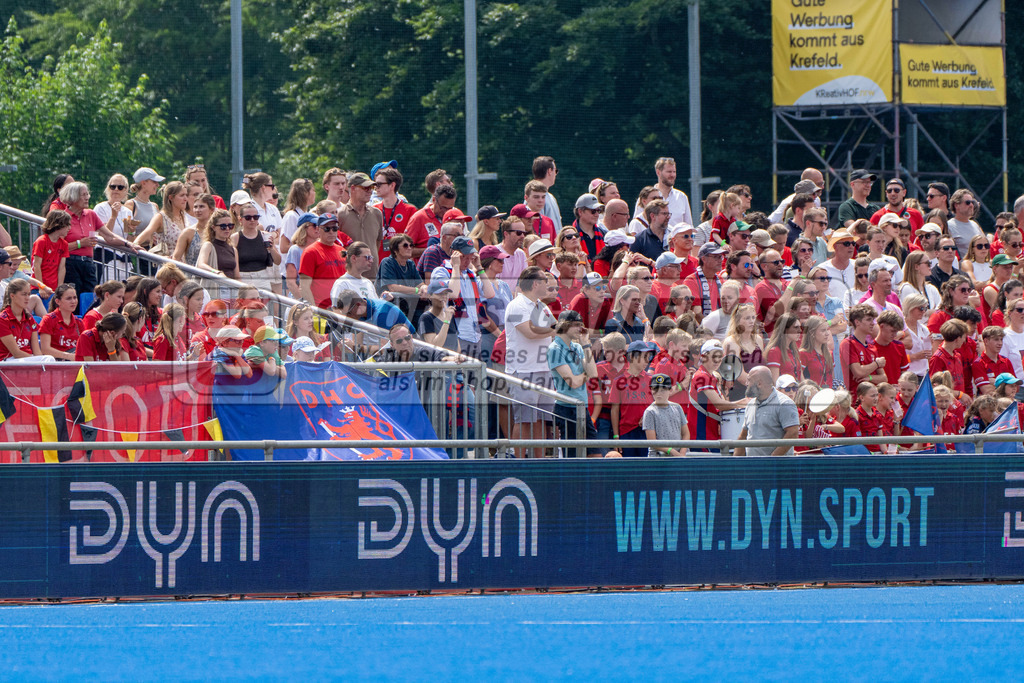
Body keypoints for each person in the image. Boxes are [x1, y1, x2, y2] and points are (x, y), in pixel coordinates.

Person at [504, 267, 558, 458]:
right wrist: (555, 331)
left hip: (543, 369)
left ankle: (539, 464)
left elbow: (554, 327)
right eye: (545, 281)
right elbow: (529, 332)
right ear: (535, 284)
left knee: (542, 421)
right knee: (524, 420)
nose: (548, 284)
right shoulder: (516, 305)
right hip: (523, 370)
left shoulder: (541, 306)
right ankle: (519, 464)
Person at [547, 310, 600, 455]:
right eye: (576, 325)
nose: (580, 329)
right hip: (567, 408)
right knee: (572, 457)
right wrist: (586, 374)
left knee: (594, 454)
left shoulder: (577, 347)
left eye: (581, 325)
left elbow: (593, 373)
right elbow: (573, 382)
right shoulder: (555, 349)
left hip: (581, 407)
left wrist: (586, 345)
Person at [733, 366, 800, 456]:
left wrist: (771, 461)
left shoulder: (784, 403)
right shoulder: (751, 404)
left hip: (777, 468)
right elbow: (743, 436)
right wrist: (735, 463)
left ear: (759, 384)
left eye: (749, 380)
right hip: (755, 467)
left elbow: (793, 433)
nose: (746, 383)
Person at [609, 340, 657, 458]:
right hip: (626, 432)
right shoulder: (618, 381)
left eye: (649, 356)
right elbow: (614, 409)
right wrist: (616, 437)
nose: (647, 360)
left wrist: (647, 416)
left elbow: (658, 403)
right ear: (632, 357)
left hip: (648, 431)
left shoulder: (652, 379)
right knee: (629, 469)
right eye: (644, 356)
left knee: (647, 468)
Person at [299, 213, 347, 308]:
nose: (331, 232)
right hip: (322, 310)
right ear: (318, 229)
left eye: (334, 228)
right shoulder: (311, 252)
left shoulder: (342, 251)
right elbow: (304, 286)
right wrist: (314, 311)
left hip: (341, 309)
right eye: (326, 229)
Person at [840, 304, 886, 394]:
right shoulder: (848, 343)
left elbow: (884, 378)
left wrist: (869, 378)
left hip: (872, 400)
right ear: (857, 322)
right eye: (869, 320)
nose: (873, 323)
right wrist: (876, 364)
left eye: (873, 320)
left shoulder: (872, 347)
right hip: (855, 400)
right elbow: (858, 372)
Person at [405, 184, 457, 260]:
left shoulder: (453, 216)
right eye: (443, 208)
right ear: (434, 200)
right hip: (427, 269)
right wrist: (432, 250)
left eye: (450, 208)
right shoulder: (419, 218)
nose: (446, 212)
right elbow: (404, 250)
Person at [643, 373, 689, 457]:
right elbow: (652, 441)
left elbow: (686, 433)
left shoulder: (677, 407)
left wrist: (682, 452)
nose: (658, 393)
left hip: (679, 455)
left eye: (663, 390)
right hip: (659, 457)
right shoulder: (650, 411)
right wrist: (671, 450)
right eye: (655, 389)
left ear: (670, 390)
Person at [39, 284, 83, 361]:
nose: (73, 301)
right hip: (55, 363)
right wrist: (69, 356)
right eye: (69, 298)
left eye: (75, 297)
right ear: (58, 301)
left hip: (74, 362)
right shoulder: (48, 319)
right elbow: (45, 349)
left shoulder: (79, 322)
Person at [32, 209, 70, 293]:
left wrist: (59, 289)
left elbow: (62, 268)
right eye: (67, 225)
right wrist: (41, 287)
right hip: (37, 288)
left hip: (53, 288)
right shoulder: (41, 241)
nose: (69, 228)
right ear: (58, 225)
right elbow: (37, 266)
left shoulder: (64, 244)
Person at [0, 280, 40, 360]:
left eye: (29, 294)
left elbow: (37, 351)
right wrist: (37, 360)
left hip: (28, 361)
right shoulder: (3, 319)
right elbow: (16, 353)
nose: (27, 298)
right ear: (12, 296)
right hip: (8, 361)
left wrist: (40, 360)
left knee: (48, 359)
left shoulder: (30, 319)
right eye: (23, 294)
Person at [929, 319, 968, 395]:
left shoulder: (957, 355)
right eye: (964, 337)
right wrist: (959, 395)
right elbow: (935, 388)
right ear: (957, 339)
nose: (964, 340)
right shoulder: (938, 358)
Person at [972, 326, 1015, 396]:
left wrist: (995, 382)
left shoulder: (1006, 361)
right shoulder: (978, 363)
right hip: (989, 405)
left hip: (1007, 404)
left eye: (1001, 339)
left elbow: (1016, 388)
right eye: (996, 339)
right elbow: (987, 391)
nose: (1000, 343)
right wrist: (1007, 384)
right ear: (986, 341)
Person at [871, 310, 910, 385]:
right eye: (892, 331)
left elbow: (904, 373)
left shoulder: (899, 346)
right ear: (882, 326)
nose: (895, 335)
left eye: (897, 332)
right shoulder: (870, 349)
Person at [947, 189, 984, 258]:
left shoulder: (975, 225)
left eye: (972, 202)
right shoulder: (949, 226)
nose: (971, 205)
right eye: (967, 202)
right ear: (956, 205)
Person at [800, 315, 833, 388]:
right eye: (823, 330)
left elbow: (832, 377)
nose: (827, 333)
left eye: (827, 329)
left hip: (829, 394)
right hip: (813, 395)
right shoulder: (803, 354)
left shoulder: (829, 353)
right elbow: (801, 380)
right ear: (812, 333)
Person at [532, 155, 562, 231]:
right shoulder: (533, 197)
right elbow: (536, 227)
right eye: (556, 171)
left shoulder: (551, 197)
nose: (556, 174)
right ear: (549, 171)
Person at [573, 193, 606, 261]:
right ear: (580, 212)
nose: (597, 214)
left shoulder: (604, 234)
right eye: (593, 211)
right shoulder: (570, 236)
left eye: (598, 210)